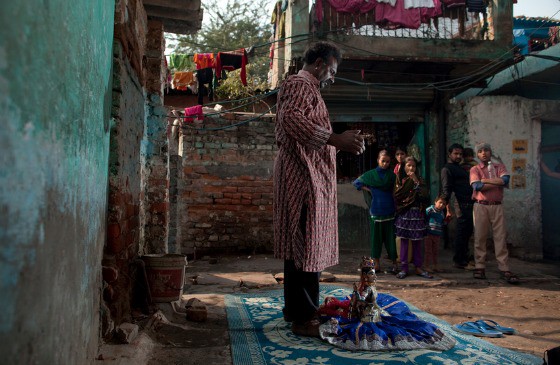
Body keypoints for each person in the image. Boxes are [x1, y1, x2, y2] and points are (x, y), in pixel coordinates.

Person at [273, 41, 366, 337]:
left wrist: (338, 142)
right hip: (302, 177)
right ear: (321, 64)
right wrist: (337, 140)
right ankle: (304, 319)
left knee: (304, 244)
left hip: (307, 174)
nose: (333, 78)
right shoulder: (301, 83)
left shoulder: (307, 88)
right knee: (304, 244)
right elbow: (290, 121)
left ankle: (298, 311)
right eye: (333, 71)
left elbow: (302, 126)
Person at [316, 257, 456, 351]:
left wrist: (354, 300)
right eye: (368, 274)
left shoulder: (369, 289)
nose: (372, 276)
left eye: (371, 274)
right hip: (362, 308)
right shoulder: (363, 286)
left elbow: (363, 301)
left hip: (368, 312)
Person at [470, 142, 519, 284]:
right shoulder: (475, 169)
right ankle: (480, 266)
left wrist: (485, 181)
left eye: (486, 150)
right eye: (480, 151)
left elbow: (505, 180)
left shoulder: (499, 167)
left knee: (500, 237)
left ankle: (504, 268)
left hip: (497, 206)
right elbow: (477, 186)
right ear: (477, 154)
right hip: (481, 206)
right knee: (480, 237)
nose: (484, 153)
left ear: (490, 152)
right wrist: (496, 182)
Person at [353, 150, 398, 274]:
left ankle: (395, 264)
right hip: (376, 211)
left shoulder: (392, 176)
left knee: (391, 239)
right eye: (383, 161)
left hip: (389, 210)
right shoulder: (371, 175)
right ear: (378, 160)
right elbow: (356, 183)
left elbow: (396, 190)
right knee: (376, 239)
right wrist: (369, 189)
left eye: (387, 162)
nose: (385, 163)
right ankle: (377, 265)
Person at [394, 157, 432, 279]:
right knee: (404, 241)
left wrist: (416, 182)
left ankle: (418, 267)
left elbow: (426, 195)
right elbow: (397, 195)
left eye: (413, 166)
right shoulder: (400, 181)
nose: (411, 168)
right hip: (405, 214)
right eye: (409, 166)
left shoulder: (420, 181)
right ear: (404, 167)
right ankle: (404, 268)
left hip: (417, 214)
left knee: (417, 241)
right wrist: (410, 182)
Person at [440, 143, 475, 270]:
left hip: (470, 203)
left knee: (467, 231)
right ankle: (459, 260)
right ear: (449, 154)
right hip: (461, 204)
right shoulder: (447, 169)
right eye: (455, 153)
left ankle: (464, 258)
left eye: (460, 154)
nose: (458, 156)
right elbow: (446, 190)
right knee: (462, 232)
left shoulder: (459, 167)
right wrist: (446, 208)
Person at [425, 195, 450, 273]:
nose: (442, 205)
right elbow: (424, 218)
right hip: (428, 234)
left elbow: (443, 223)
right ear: (435, 202)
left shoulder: (442, 213)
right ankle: (426, 266)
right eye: (440, 203)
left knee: (435, 251)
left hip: (437, 235)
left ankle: (435, 266)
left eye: (444, 204)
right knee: (428, 251)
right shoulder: (429, 210)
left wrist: (447, 220)